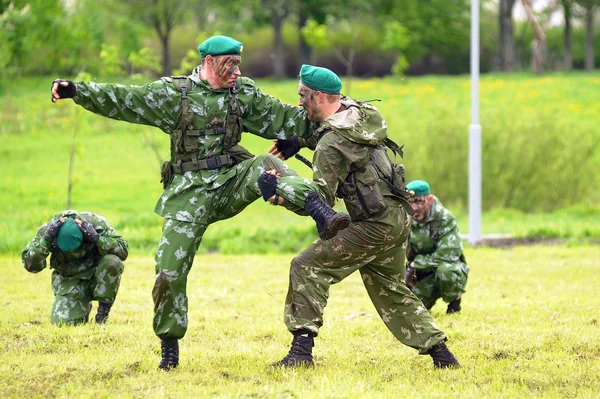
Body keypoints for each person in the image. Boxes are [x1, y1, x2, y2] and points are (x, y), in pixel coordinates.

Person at [50, 36, 349, 370]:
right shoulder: (173, 94)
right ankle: (169, 349)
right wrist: (77, 91)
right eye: (229, 63)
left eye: (239, 63)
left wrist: (343, 111)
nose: (236, 70)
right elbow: (125, 99)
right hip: (188, 194)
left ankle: (321, 212)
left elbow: (288, 118)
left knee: (266, 164)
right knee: (167, 272)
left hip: (229, 181)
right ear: (209, 62)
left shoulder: (242, 94)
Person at [257, 65, 460, 369]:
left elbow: (320, 204)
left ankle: (301, 352)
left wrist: (277, 193)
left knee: (306, 265)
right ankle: (442, 355)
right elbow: (348, 144)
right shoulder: (360, 113)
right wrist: (300, 142)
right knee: (390, 289)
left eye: (303, 95)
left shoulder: (330, 145)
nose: (299, 102)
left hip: (374, 226)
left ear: (320, 96)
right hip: (399, 218)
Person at [21, 210, 128, 325]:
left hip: (96, 277)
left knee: (112, 261)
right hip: (70, 281)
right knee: (62, 323)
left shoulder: (96, 224)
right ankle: (81, 306)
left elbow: (123, 250)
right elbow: (30, 265)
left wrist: (97, 239)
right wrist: (45, 242)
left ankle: (102, 315)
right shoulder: (48, 231)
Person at [404, 180, 469, 314]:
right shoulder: (405, 220)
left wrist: (416, 264)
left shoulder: (445, 218)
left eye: (418, 201)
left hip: (447, 267)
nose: (414, 207)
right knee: (412, 309)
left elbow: (448, 255)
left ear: (430, 199)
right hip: (422, 275)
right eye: (409, 202)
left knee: (446, 271)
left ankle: (454, 304)